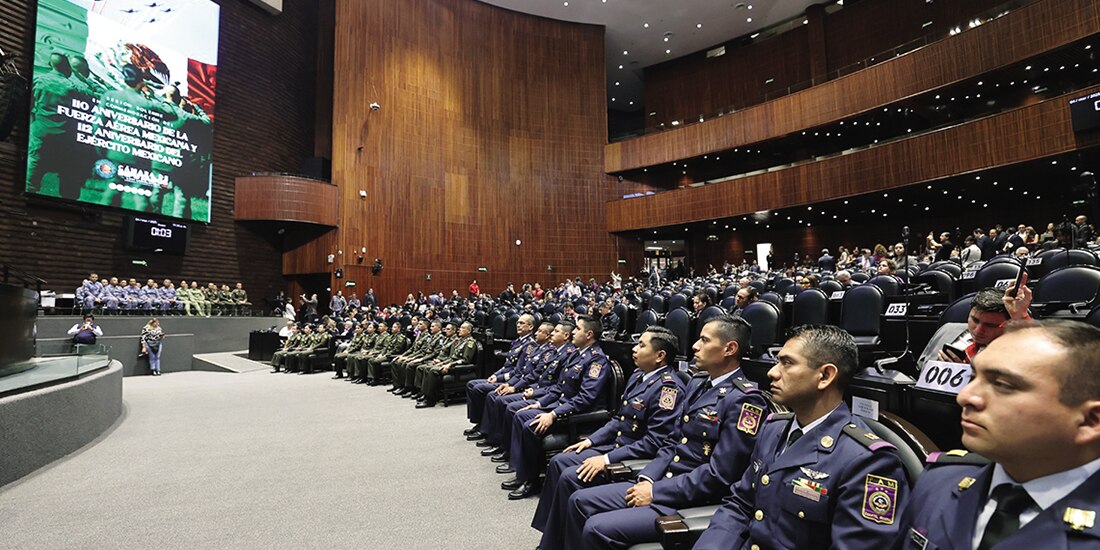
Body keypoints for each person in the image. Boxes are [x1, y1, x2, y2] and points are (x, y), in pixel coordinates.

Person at [693, 325, 909, 549]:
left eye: (787, 363)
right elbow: (740, 505)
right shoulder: (773, 429)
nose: (772, 372)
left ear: (825, 376)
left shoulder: (868, 461)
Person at [893, 320, 1100, 550]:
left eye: (1002, 384)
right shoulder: (939, 482)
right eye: (973, 378)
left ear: (1091, 421)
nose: (965, 397)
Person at [564, 315, 768, 548]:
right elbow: (672, 442)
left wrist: (656, 491)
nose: (695, 346)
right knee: (579, 500)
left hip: (690, 500)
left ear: (729, 349)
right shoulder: (698, 383)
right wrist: (648, 478)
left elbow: (719, 475)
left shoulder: (744, 400)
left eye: (704, 340)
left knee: (597, 528)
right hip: (664, 481)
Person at [531, 326, 685, 550]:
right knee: (558, 462)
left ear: (660, 356)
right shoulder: (638, 375)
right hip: (615, 446)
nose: (634, 349)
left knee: (569, 476)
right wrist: (591, 441)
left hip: (632, 458)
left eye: (642, 345)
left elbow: (654, 442)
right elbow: (618, 419)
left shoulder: (668, 389)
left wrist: (606, 458)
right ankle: (553, 538)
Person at [502, 315, 611, 498]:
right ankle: (523, 473)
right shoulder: (576, 354)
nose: (573, 332)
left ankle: (532, 481)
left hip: (580, 416)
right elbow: (560, 388)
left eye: (577, 329)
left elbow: (585, 399)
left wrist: (553, 414)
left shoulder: (596, 360)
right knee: (521, 415)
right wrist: (538, 404)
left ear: (589, 334)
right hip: (562, 406)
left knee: (531, 426)